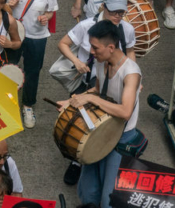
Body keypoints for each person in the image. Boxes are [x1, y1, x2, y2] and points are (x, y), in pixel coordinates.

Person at [57, 21, 142, 208]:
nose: (91, 52)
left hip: (121, 136)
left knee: (109, 197)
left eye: (95, 48)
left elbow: (125, 111)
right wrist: (71, 101)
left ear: (111, 47)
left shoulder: (131, 72)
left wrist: (90, 99)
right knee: (88, 189)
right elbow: (97, 89)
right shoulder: (101, 61)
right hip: (101, 127)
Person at [2, 0, 56, 128]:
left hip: (36, 35)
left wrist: (45, 18)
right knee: (9, 68)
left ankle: (27, 105)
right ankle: (5, 102)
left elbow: (51, 10)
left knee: (32, 71)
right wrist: (8, 5)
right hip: (13, 32)